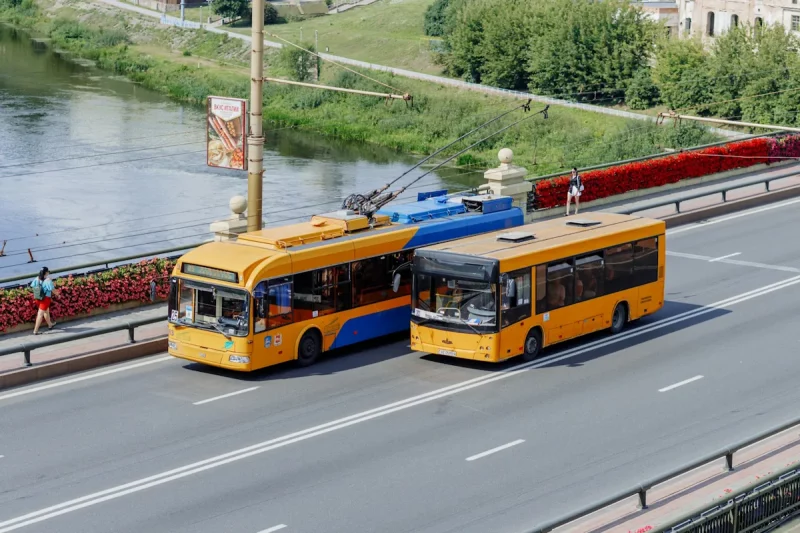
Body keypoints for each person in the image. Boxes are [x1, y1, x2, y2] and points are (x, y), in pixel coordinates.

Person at [31, 266, 56, 335]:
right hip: (45, 299)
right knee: (40, 314)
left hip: (38, 297)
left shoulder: (37, 278)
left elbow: (32, 286)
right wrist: (58, 294)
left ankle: (50, 324)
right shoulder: (47, 280)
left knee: (46, 311)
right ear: (46, 273)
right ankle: (35, 331)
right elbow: (52, 289)